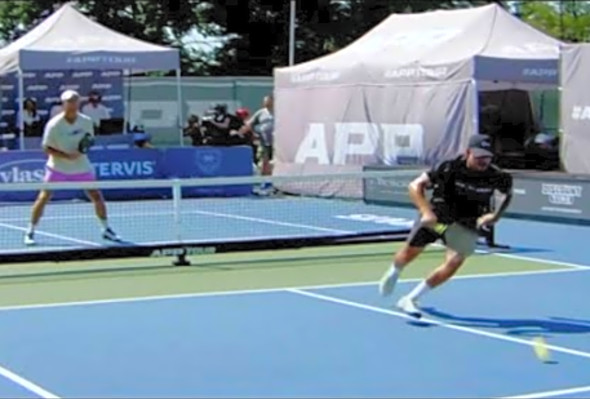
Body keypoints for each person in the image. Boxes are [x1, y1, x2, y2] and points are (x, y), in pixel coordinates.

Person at [378, 134, 513, 318]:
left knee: (455, 261)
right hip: (437, 215)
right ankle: (394, 272)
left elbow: (508, 194)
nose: (484, 161)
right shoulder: (449, 168)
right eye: (479, 156)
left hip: (466, 221)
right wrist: (426, 211)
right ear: (467, 153)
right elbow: (414, 185)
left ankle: (410, 298)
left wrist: (496, 215)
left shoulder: (498, 176)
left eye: (488, 157)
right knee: (409, 254)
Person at [24, 90, 120, 246]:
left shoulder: (86, 121)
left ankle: (106, 229)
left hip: (81, 166)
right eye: (69, 101)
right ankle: (30, 231)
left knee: (96, 196)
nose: (72, 104)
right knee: (43, 198)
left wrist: (81, 151)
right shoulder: (54, 124)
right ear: (63, 104)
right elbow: (46, 148)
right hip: (57, 167)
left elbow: (89, 140)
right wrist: (66, 156)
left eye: (75, 101)